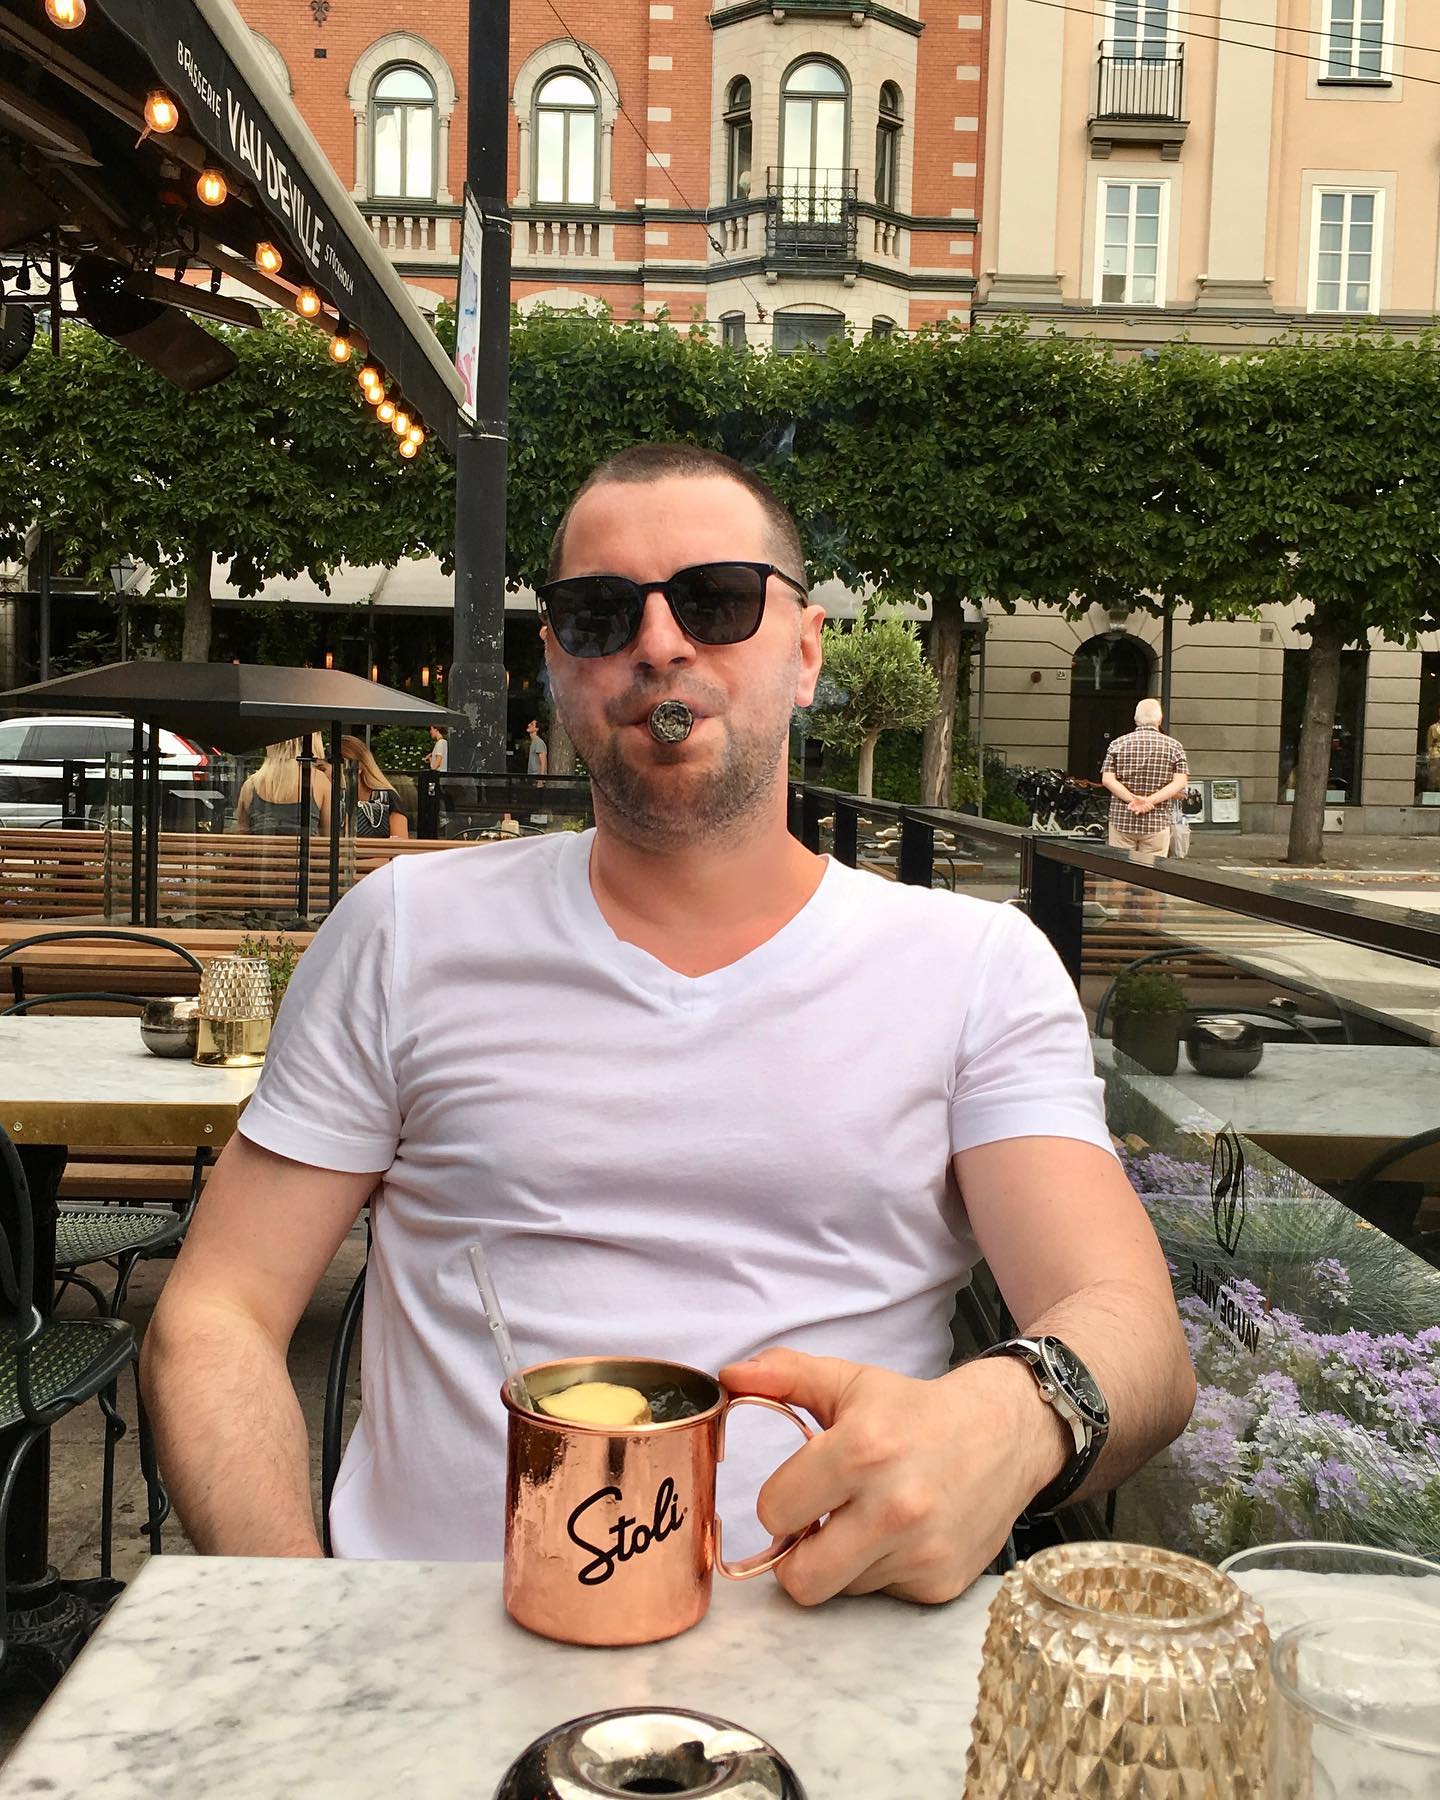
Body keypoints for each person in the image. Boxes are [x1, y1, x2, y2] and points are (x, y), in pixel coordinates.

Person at [143, 445, 1194, 1604]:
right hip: (433, 1648)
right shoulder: (405, 931)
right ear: (558, 662)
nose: (658, 643)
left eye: (717, 599)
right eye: (600, 613)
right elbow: (219, 1313)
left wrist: (1017, 1413)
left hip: (833, 1646)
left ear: (806, 653)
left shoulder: (974, 967)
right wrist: (298, 1624)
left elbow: (1134, 1331)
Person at [1100, 699, 1189, 866]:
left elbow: (1107, 779)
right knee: (1151, 872)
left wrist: (1133, 800)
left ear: (1135, 719)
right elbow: (1180, 781)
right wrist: (1149, 801)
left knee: (1121, 869)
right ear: (1159, 719)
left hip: (1122, 819)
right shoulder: (1174, 746)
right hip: (1157, 822)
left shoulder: (1117, 744)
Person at [233, 737, 331, 838]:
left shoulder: (250, 784)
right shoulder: (320, 781)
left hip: (262, 847)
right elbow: (329, 837)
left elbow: (242, 834)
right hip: (304, 848)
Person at [322, 736, 410, 840]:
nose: (321, 774)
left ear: (358, 767)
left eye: (323, 769)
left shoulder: (387, 798)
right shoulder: (328, 798)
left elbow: (400, 844)